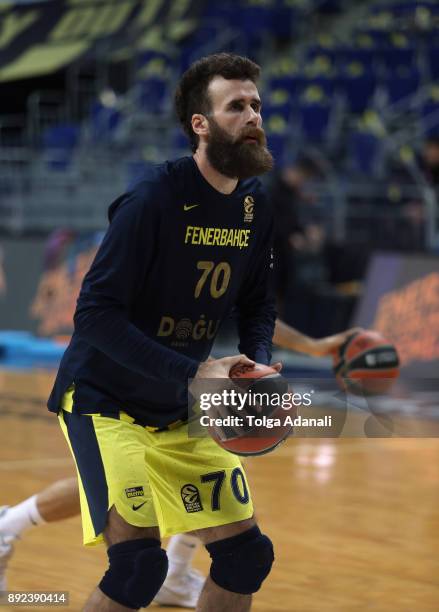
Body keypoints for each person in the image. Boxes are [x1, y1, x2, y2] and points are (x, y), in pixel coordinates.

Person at [45, 52, 279, 612]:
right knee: (138, 568)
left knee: (249, 556)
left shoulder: (254, 206)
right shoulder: (153, 199)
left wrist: (257, 360)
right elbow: (94, 315)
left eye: (256, 105)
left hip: (178, 405)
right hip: (105, 403)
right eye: (236, 107)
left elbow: (258, 302)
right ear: (201, 124)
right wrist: (195, 371)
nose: (253, 117)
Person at [0, 319, 358, 606]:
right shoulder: (152, 242)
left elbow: (247, 309)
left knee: (218, 495)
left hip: (177, 394)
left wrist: (312, 347)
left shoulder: (235, 243)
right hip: (114, 392)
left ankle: (176, 573)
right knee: (130, 536)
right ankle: (9, 524)